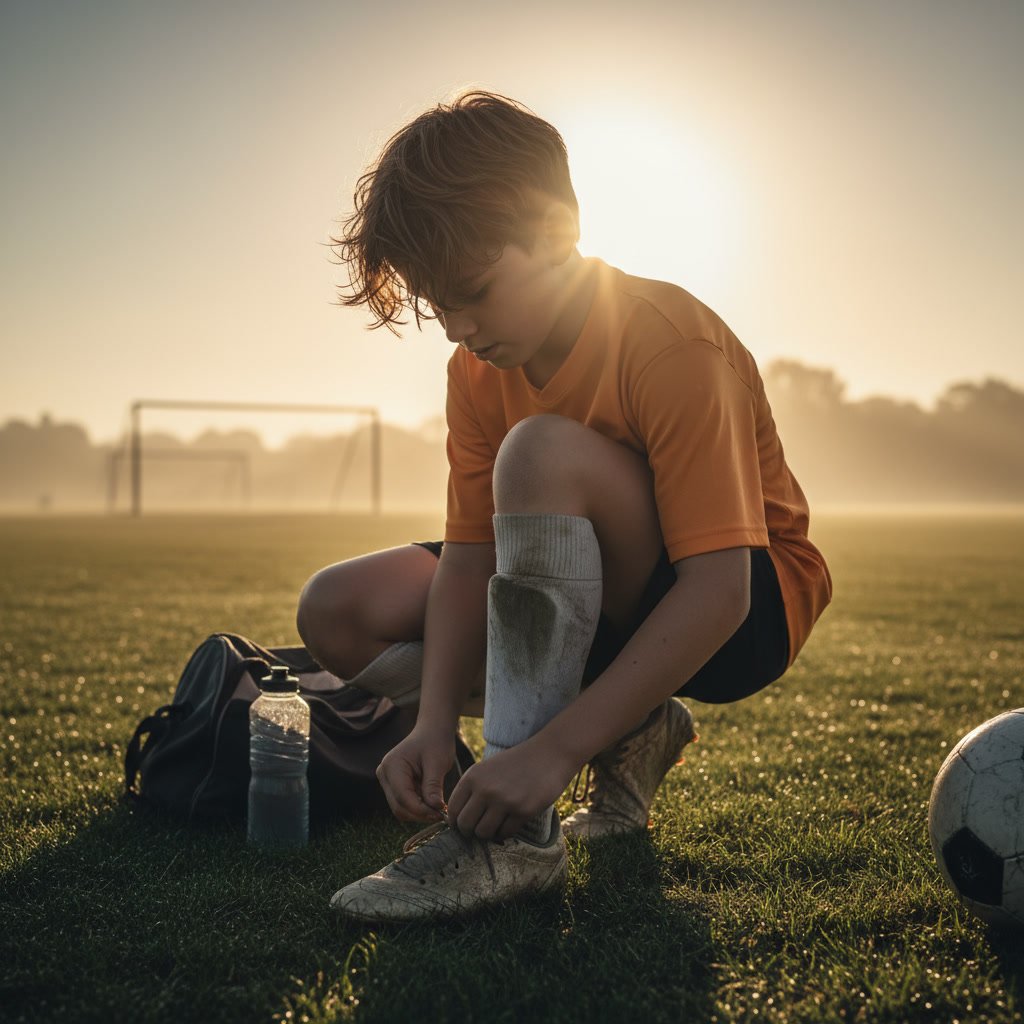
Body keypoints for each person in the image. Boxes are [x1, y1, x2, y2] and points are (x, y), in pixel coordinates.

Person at [296, 90, 832, 922]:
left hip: (739, 611)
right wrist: (431, 723)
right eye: (438, 303)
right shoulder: (473, 370)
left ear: (558, 232)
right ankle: (627, 728)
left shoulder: (667, 341)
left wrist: (549, 754)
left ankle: (517, 837)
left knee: (540, 451)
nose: (455, 327)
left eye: (473, 290)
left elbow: (722, 591)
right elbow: (472, 558)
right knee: (336, 607)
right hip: (589, 593)